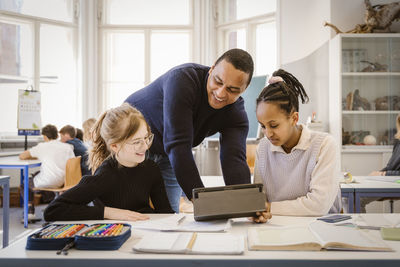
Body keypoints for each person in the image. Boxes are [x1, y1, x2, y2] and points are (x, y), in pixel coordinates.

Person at [125, 48, 254, 212]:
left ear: (244, 88)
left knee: (168, 216)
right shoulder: (183, 79)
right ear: (212, 68)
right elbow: (178, 144)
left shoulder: (236, 115)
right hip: (131, 142)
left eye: (232, 89)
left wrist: (249, 204)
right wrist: (204, 201)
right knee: (124, 211)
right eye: (218, 81)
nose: (220, 93)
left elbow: (234, 160)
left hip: (168, 154)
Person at [44, 103, 174, 221]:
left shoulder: (151, 168)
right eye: (136, 142)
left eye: (146, 138)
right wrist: (108, 212)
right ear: (115, 146)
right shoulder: (105, 175)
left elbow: (165, 212)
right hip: (114, 236)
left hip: (145, 232)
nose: (145, 146)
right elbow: (53, 210)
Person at [252, 69, 341, 223]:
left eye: (273, 125)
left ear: (294, 118)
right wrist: (260, 212)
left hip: (323, 227)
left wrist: (269, 208)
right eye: (263, 126)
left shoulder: (324, 145)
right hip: (277, 226)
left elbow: (318, 206)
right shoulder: (263, 148)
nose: (268, 133)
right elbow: (260, 200)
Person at [19, 124, 74, 221]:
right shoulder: (68, 147)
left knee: (25, 184)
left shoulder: (42, 147)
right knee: (37, 174)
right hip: (65, 181)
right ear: (57, 135)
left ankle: (29, 212)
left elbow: (22, 156)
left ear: (44, 136)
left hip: (49, 181)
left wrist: (35, 155)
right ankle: (52, 205)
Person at [360, 114, 400, 212]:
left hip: (395, 183)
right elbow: (390, 166)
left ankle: (361, 226)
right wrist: (377, 173)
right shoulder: (398, 142)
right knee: (354, 195)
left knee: (358, 199)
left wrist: (384, 174)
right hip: (390, 181)